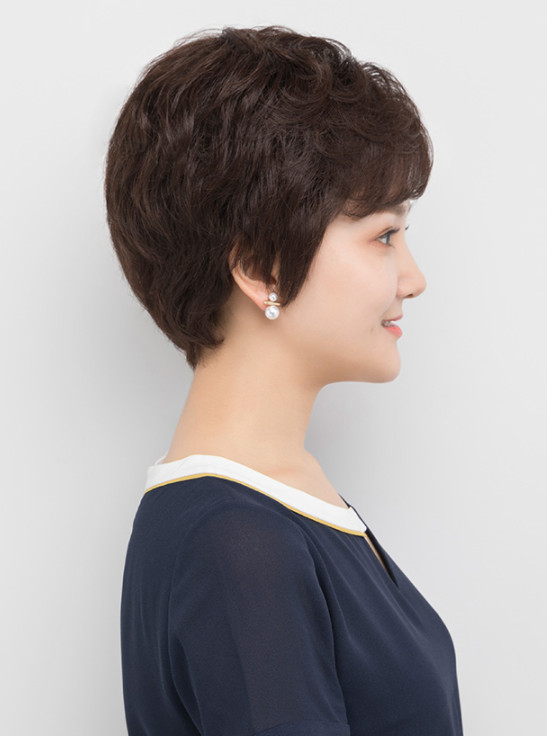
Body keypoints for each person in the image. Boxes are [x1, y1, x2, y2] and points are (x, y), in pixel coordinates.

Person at [104, 25, 464, 736]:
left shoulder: (272, 503)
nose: (413, 278)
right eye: (384, 235)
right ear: (262, 267)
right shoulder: (236, 541)